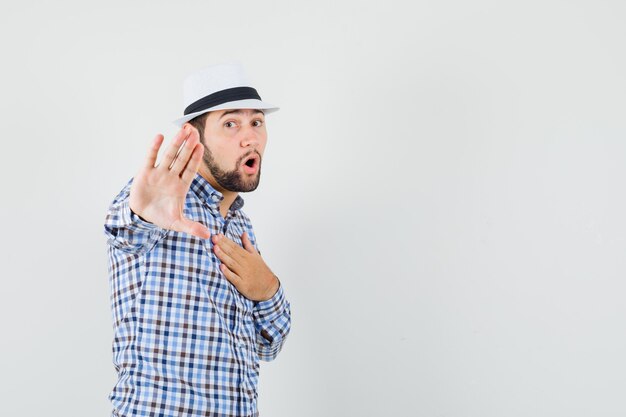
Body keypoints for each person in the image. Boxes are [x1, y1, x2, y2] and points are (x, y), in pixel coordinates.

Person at [103, 63, 292, 417]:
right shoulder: (163, 202)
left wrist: (268, 289)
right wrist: (141, 214)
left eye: (257, 122)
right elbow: (123, 231)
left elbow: (269, 346)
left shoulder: (240, 225)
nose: (250, 137)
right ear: (194, 136)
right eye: (231, 123)